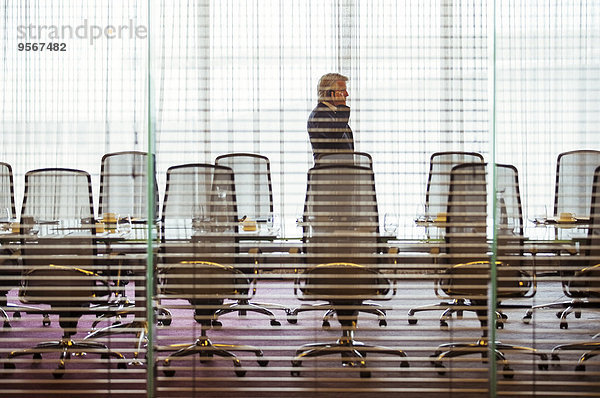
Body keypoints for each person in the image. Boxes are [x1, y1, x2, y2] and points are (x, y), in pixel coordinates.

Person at [307, 73, 354, 160]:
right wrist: (342, 107)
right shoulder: (319, 114)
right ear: (330, 93)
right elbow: (335, 134)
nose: (347, 94)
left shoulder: (334, 114)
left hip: (343, 170)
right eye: (343, 90)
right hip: (329, 171)